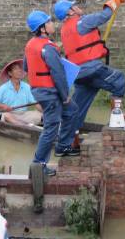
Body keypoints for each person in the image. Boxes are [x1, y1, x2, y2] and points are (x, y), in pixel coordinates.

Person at [53, 0, 125, 136]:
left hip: (79, 74)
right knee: (119, 80)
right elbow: (104, 16)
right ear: (70, 11)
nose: (78, 7)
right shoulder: (82, 22)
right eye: (74, 6)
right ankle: (117, 116)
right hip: (91, 69)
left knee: (78, 107)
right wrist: (115, 0)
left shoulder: (64, 29)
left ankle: (69, 133)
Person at [24, 10, 79, 177]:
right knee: (50, 128)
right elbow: (58, 74)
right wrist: (65, 95)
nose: (52, 24)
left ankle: (63, 147)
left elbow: (26, 68)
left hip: (39, 90)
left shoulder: (30, 44)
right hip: (50, 93)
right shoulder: (48, 47)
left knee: (72, 110)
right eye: (49, 22)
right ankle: (38, 165)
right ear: (42, 29)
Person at [0, 59, 43, 126]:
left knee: (40, 115)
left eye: (19, 68)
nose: (19, 70)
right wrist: (4, 106)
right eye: (15, 69)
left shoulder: (27, 87)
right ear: (10, 73)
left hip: (22, 115)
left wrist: (45, 111)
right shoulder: (4, 88)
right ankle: (23, 126)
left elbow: (36, 103)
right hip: (8, 114)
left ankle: (23, 124)